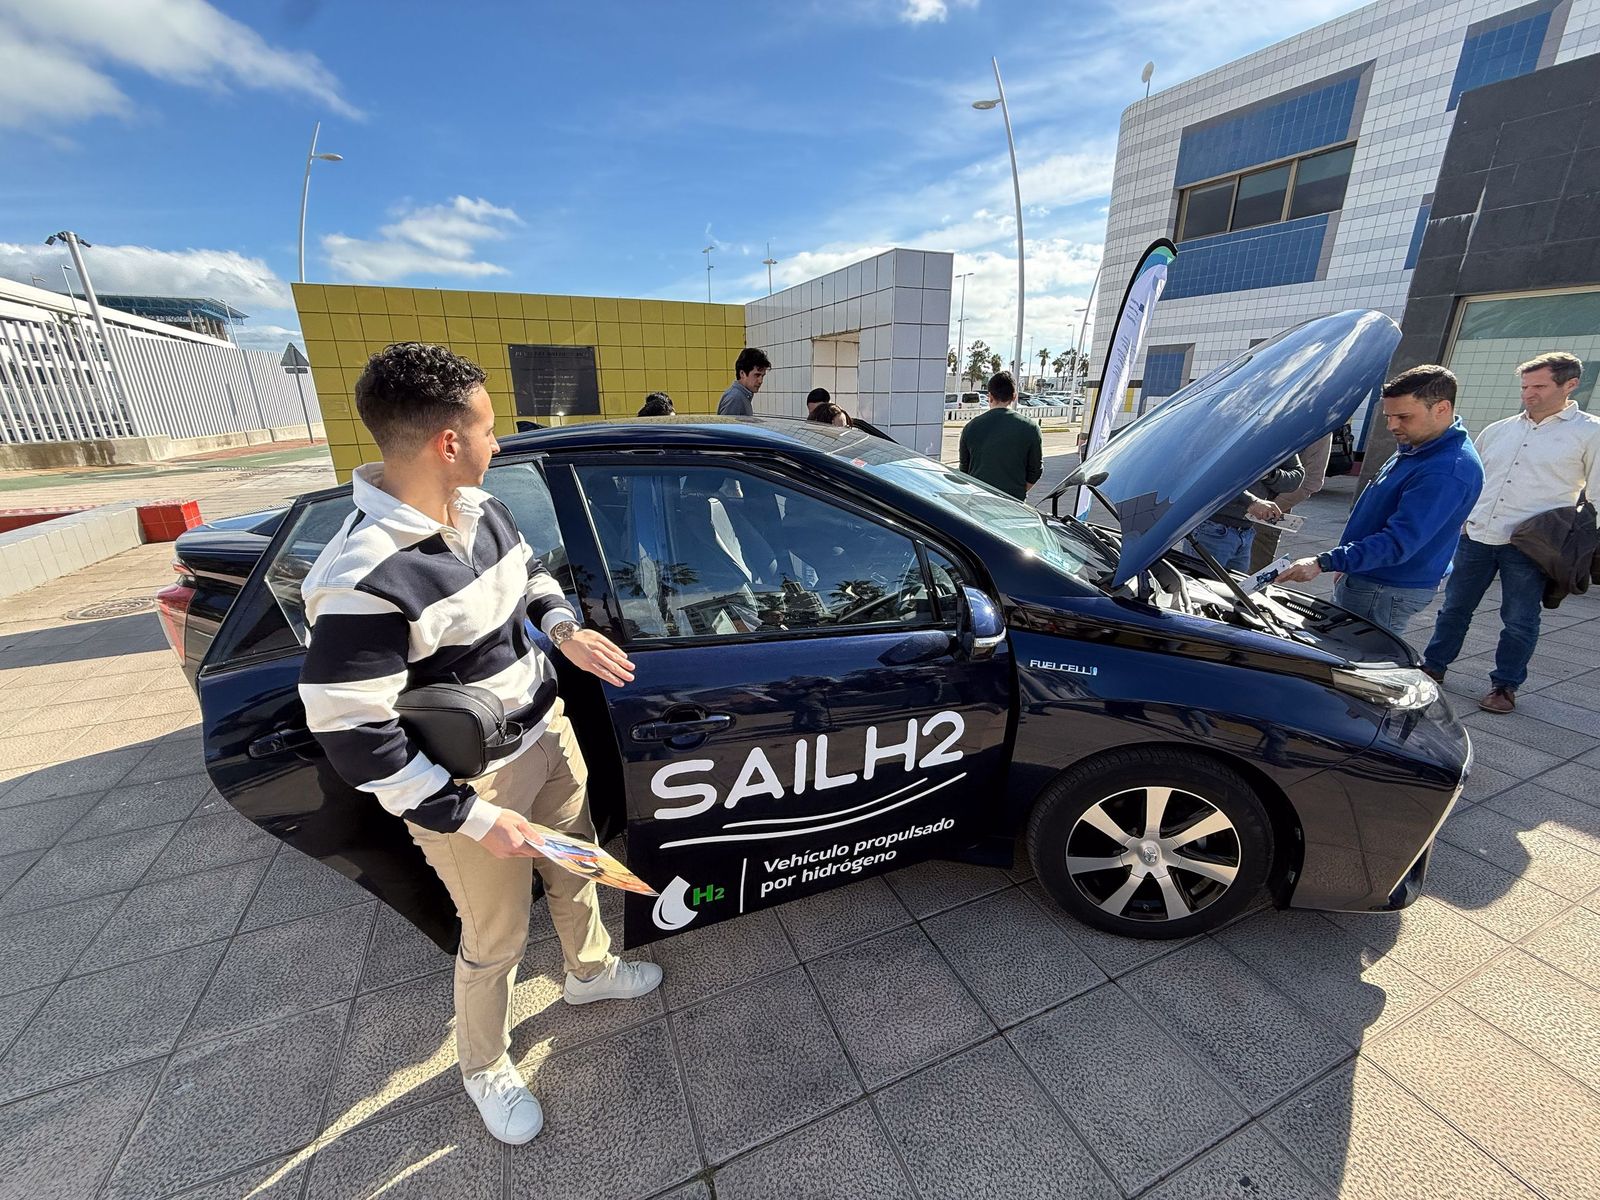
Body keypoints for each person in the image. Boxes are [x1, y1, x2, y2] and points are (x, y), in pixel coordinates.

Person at [298, 343, 662, 1146]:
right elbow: (353, 736)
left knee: (578, 862)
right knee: (494, 938)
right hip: (471, 790)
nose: (500, 442)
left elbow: (533, 581)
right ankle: (484, 1066)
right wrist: (467, 817)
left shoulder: (481, 508)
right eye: (490, 429)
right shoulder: (361, 574)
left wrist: (562, 631)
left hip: (546, 735)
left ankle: (590, 975)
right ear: (447, 442)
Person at [1421, 352, 1600, 713]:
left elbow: (1596, 497)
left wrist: (1585, 550)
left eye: (1539, 386)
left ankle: (1504, 685)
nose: (1528, 393)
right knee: (1454, 608)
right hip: (1477, 535)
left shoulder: (1590, 432)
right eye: (1525, 386)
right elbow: (1472, 481)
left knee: (1519, 618)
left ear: (1570, 385)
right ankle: (1433, 667)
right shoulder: (1500, 429)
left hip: (1532, 545)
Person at [1274, 366, 1484, 636]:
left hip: (1385, 587)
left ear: (1442, 408)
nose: (1392, 425)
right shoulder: (1419, 447)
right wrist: (1347, 566)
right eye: (1389, 416)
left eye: (1403, 416)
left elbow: (1398, 543)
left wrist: (1325, 562)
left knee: (1357, 662)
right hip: (1371, 576)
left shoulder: (1446, 469)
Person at [1189, 455, 1304, 572]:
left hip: (1246, 531)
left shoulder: (1278, 438)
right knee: (1202, 583)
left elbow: (1296, 477)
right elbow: (1211, 475)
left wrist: (1268, 473)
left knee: (1233, 587)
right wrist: (1249, 501)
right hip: (1211, 527)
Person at [1249, 433, 1332, 572]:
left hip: (1263, 517)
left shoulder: (1319, 424)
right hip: (1223, 511)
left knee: (1248, 580)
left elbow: (1311, 480)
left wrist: (1267, 509)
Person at [958, 370, 1043, 501]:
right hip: (1013, 503)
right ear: (1014, 396)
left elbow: (964, 470)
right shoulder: (1031, 428)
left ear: (990, 396)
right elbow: (1035, 470)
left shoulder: (971, 427)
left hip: (978, 501)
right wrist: (1017, 490)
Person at [716, 348, 770, 415]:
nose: (760, 381)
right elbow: (727, 425)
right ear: (742, 373)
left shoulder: (743, 395)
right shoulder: (735, 398)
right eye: (757, 375)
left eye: (762, 376)